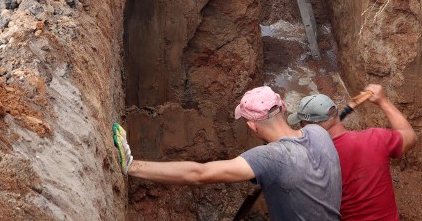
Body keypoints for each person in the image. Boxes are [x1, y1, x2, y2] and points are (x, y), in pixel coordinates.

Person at [112, 85, 342, 221]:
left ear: (252, 126)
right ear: (283, 108)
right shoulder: (318, 133)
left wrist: (132, 166)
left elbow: (199, 173)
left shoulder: (270, 158)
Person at [288, 84, 416, 221]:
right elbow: (410, 136)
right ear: (336, 114)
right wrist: (383, 101)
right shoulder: (376, 138)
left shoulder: (309, 160)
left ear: (305, 125)